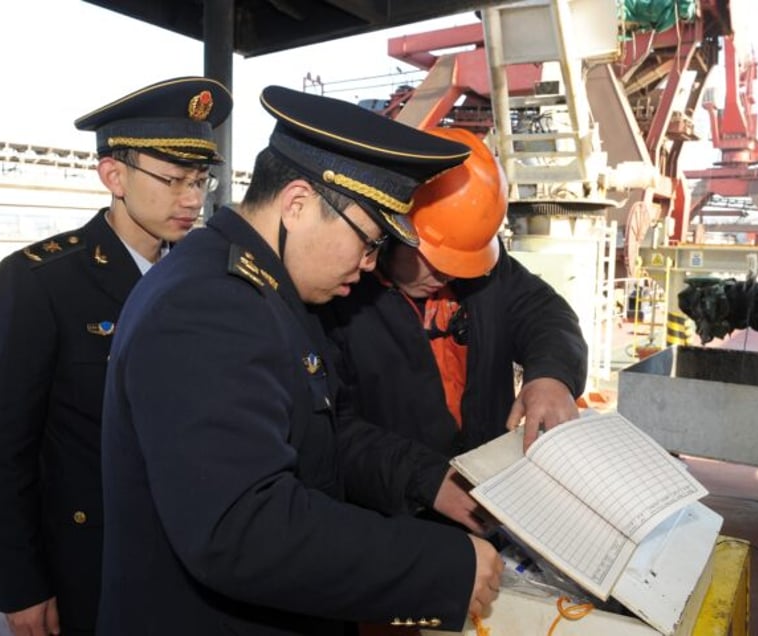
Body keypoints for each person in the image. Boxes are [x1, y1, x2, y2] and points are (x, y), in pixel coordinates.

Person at [98, 85, 503, 635]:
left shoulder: (271, 290)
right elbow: (243, 528)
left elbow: (319, 440)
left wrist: (427, 481)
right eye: (368, 241)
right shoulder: (209, 305)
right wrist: (442, 567)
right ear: (297, 204)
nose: (368, 265)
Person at [0, 76, 233, 636]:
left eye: (200, 180)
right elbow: (3, 448)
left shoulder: (201, 279)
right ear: (113, 175)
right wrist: (21, 584)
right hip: (88, 564)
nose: (192, 199)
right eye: (172, 179)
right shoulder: (39, 281)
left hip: (192, 561)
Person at [321, 126, 588, 492]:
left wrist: (552, 375)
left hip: (495, 488)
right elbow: (337, 430)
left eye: (463, 260)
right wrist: (426, 482)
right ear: (391, 230)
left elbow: (545, 312)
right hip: (399, 516)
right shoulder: (339, 301)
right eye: (436, 260)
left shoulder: (484, 273)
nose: (449, 273)